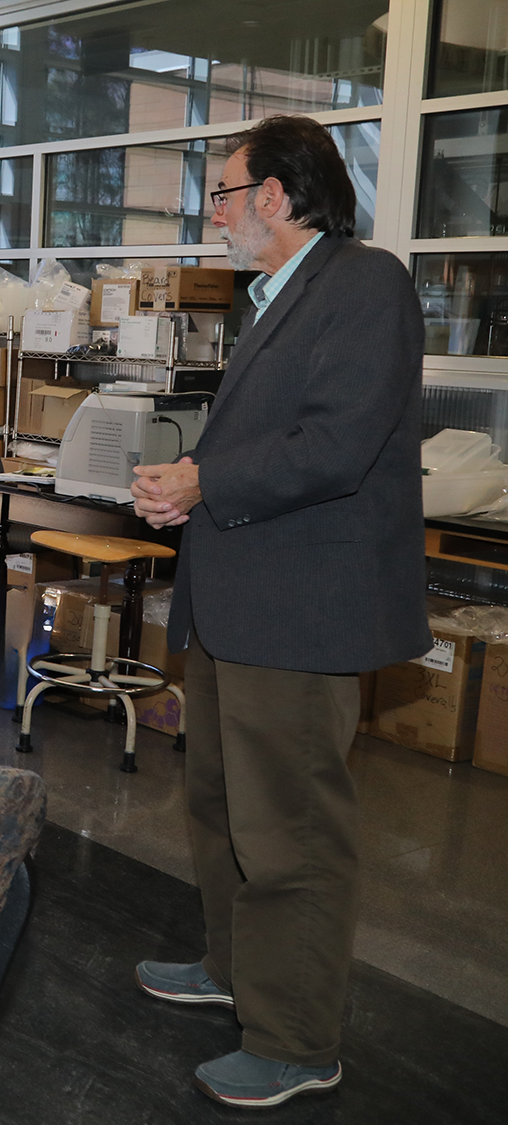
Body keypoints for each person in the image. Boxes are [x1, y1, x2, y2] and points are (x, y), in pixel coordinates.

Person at [129, 114, 428, 1109]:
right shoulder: (272, 298)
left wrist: (203, 480)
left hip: (301, 612)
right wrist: (189, 482)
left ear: (269, 195)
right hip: (239, 604)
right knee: (220, 807)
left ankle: (296, 1037)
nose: (210, 216)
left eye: (219, 194)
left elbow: (335, 444)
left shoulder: (363, 283)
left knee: (289, 828)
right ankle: (233, 972)